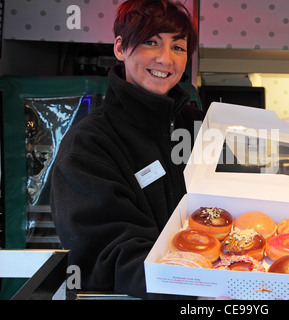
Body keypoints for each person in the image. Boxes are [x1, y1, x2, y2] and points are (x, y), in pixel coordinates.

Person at [50, 0, 203, 299]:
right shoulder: (90, 144)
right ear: (120, 48)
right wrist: (197, 285)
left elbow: (241, 200)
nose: (165, 59)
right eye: (151, 42)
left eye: (178, 47)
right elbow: (110, 252)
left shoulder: (200, 126)